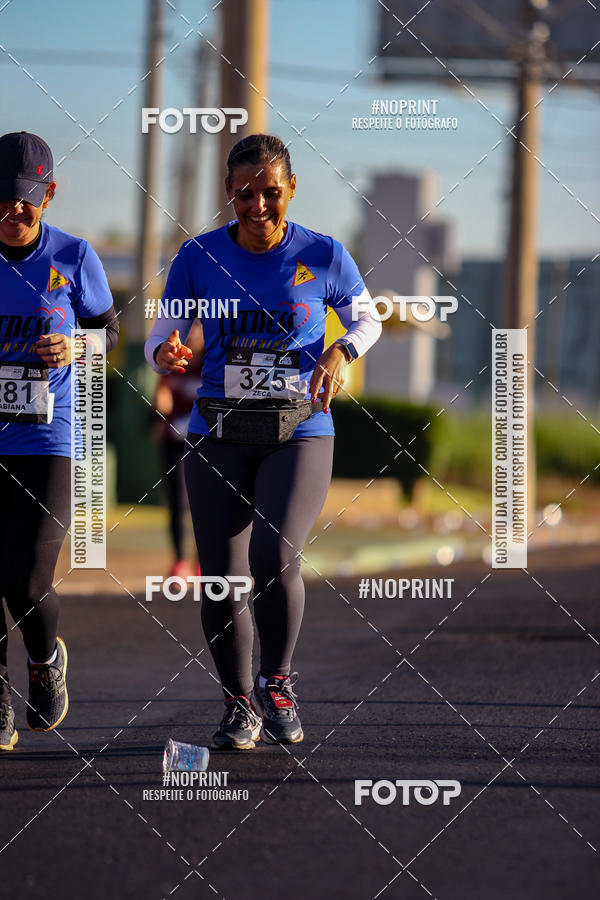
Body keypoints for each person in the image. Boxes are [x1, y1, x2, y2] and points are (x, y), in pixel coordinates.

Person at [145, 133, 381, 750]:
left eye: (270, 193)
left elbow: (368, 317)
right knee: (221, 580)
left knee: (273, 559)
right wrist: (164, 351)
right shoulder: (198, 257)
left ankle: (277, 683)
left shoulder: (323, 254)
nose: (257, 206)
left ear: (291, 189)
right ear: (228, 191)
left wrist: (341, 349)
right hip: (218, 433)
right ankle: (238, 705)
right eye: (245, 194)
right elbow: (161, 333)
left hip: (299, 431)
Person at [0, 132, 119, 751]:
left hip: (48, 438)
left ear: (47, 196)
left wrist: (77, 346)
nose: (14, 211)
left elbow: (108, 333)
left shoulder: (73, 256)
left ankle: (45, 659)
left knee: (26, 580)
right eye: (2, 198)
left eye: (26, 199)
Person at [153, 322, 204, 577]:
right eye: (189, 328)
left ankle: (202, 563)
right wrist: (160, 415)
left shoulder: (212, 364)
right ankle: (180, 562)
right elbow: (162, 396)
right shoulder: (173, 362)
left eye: (197, 327)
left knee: (205, 504)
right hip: (175, 442)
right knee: (177, 502)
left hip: (205, 442)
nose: (192, 333)